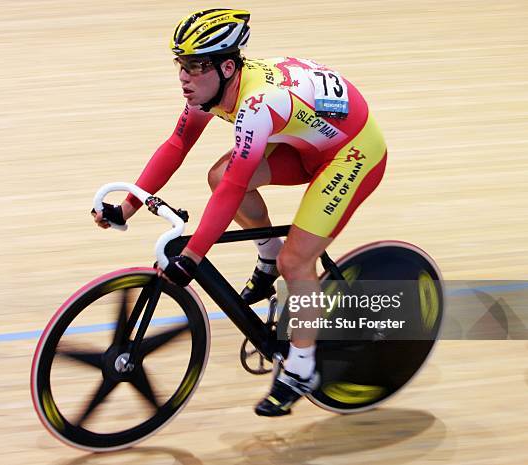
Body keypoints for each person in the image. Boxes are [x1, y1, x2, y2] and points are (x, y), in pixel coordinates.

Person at [93, 8, 387, 416]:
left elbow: (235, 188)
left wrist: (193, 256)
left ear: (227, 66)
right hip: (303, 143)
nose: (184, 76)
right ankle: (267, 259)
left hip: (352, 154)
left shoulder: (256, 105)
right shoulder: (211, 87)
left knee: (296, 260)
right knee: (219, 175)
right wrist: (128, 206)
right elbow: (176, 147)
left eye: (194, 66)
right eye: (181, 65)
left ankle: (302, 370)